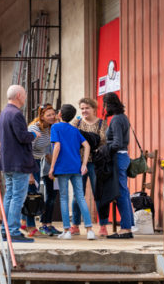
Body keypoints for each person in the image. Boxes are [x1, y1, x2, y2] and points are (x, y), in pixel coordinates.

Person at [48, 104, 96, 241]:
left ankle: (67, 231)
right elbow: (87, 145)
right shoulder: (75, 130)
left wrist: (52, 168)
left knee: (64, 198)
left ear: (59, 114)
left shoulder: (55, 127)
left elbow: (57, 146)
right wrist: (84, 164)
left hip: (62, 168)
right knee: (80, 197)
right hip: (76, 168)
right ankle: (90, 230)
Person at [0, 85, 38, 243]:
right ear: (19, 95)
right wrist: (34, 134)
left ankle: (5, 229)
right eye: (25, 94)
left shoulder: (4, 113)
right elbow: (22, 137)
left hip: (7, 162)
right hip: (19, 162)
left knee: (9, 196)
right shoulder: (16, 114)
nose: (26, 97)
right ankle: (13, 230)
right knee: (17, 197)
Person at [70, 97, 109, 237]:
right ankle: (75, 225)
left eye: (87, 108)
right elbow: (69, 139)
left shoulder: (102, 124)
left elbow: (106, 143)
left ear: (94, 108)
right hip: (78, 163)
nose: (84, 110)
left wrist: (98, 149)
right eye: (82, 108)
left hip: (95, 163)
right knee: (77, 194)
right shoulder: (76, 122)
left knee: (99, 193)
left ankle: (103, 225)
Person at [101, 92, 135, 239]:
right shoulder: (123, 118)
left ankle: (126, 229)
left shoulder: (115, 120)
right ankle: (128, 226)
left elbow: (117, 143)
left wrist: (103, 149)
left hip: (118, 158)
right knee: (124, 192)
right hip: (123, 157)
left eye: (105, 104)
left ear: (108, 105)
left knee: (120, 193)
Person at [25, 104, 61, 237]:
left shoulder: (49, 129)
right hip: (29, 162)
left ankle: (30, 223)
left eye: (53, 114)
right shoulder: (34, 128)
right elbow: (27, 151)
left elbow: (46, 152)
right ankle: (30, 226)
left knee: (34, 194)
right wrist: (29, 173)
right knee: (31, 194)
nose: (52, 117)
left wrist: (54, 167)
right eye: (49, 115)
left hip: (38, 162)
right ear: (41, 116)